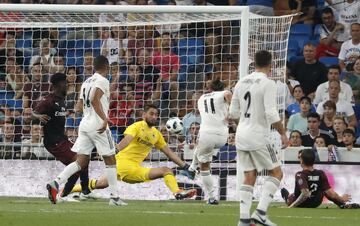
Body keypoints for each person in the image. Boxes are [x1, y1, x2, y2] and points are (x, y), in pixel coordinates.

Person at [71, 104, 197, 200]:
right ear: (144, 115)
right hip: (125, 164)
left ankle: (67, 190)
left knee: (101, 184)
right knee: (166, 171)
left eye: (156, 115)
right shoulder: (137, 126)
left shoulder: (157, 134)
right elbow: (127, 140)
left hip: (120, 165)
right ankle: (177, 192)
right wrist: (114, 150)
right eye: (151, 114)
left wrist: (185, 166)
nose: (154, 117)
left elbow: (169, 153)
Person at [46, 56, 126, 206]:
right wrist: (104, 118)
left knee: (80, 161)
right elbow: (95, 99)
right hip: (98, 125)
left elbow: (79, 105)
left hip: (85, 124)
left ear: (95, 67)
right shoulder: (103, 81)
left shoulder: (86, 82)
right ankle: (115, 197)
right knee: (110, 159)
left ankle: (56, 183)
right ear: (106, 68)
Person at [229, 50, 288, 226]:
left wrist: (245, 124)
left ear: (253, 63)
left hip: (241, 134)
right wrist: (283, 133)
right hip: (258, 135)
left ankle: (244, 220)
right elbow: (271, 112)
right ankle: (261, 213)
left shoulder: (241, 82)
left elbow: (232, 112)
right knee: (276, 172)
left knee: (249, 175)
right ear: (271, 64)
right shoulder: (268, 83)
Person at [32, 73, 91, 203]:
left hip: (62, 138)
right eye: (65, 83)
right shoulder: (48, 100)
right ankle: (61, 190)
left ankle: (81, 192)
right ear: (57, 85)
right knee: (80, 162)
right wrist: (38, 117)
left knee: (83, 160)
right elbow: (31, 113)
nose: (67, 85)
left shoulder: (61, 100)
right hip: (53, 141)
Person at [185, 79, 232, 205]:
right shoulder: (224, 93)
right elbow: (227, 95)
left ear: (210, 88)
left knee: (205, 166)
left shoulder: (201, 99)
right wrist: (232, 110)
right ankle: (192, 167)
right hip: (223, 136)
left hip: (207, 134)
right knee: (202, 147)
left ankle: (211, 197)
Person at [281, 149, 359, 209]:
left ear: (301, 161)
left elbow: (305, 193)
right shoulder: (321, 173)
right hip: (315, 203)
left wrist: (291, 206)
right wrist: (341, 199)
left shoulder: (300, 174)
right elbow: (330, 193)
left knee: (286, 193)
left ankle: (287, 197)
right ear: (314, 161)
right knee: (324, 190)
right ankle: (342, 205)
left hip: (301, 204)